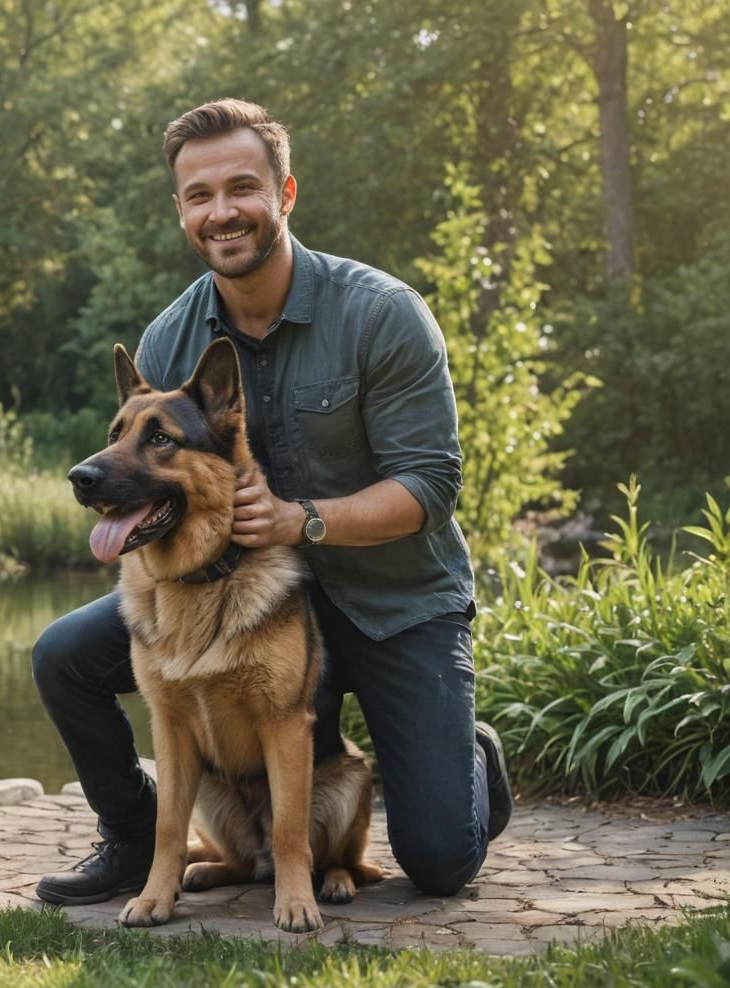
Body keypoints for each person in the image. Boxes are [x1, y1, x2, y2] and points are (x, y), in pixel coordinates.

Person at [32, 98, 512, 906]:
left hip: (389, 600)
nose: (221, 211)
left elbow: (430, 487)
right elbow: (164, 484)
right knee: (64, 655)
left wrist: (301, 520)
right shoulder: (169, 339)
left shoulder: (383, 314)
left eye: (242, 187)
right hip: (239, 596)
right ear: (182, 211)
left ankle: (467, 754)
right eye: (200, 195)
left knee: (438, 860)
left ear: (285, 194)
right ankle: (133, 833)